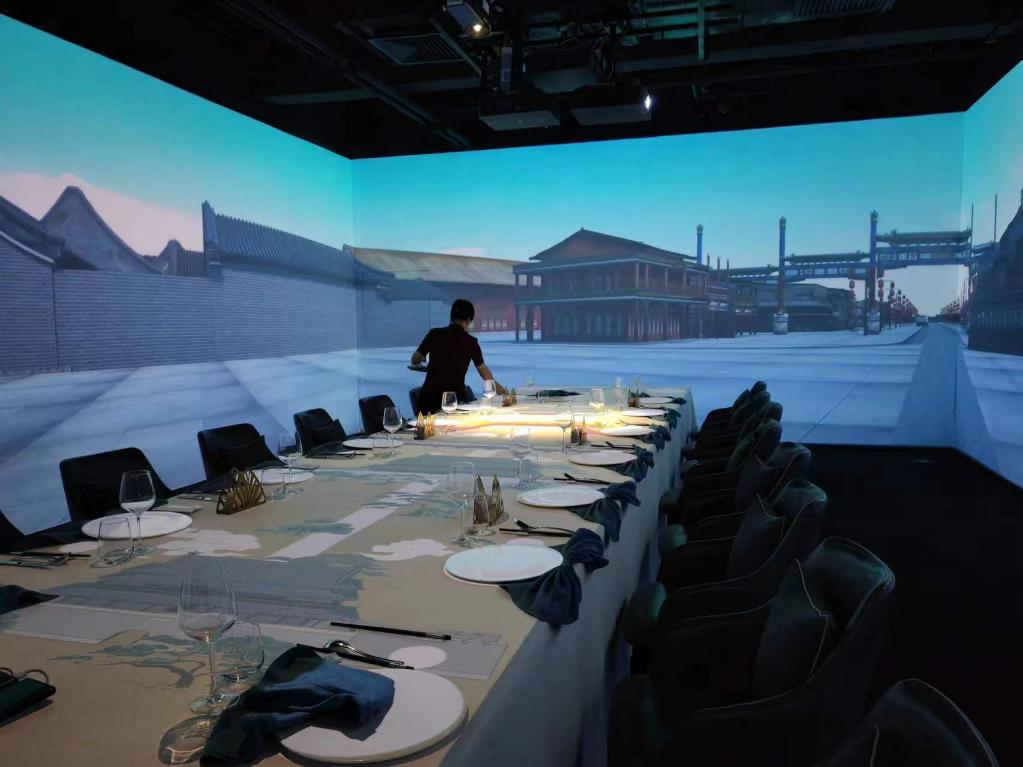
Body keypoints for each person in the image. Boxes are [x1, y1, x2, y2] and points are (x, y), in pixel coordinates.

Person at [411, 299, 506, 414]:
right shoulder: (471, 342)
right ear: (469, 320)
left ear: (451, 316)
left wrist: (425, 358)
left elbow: (414, 359)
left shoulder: (434, 334)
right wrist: (501, 390)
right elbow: (484, 373)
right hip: (454, 403)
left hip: (427, 403)